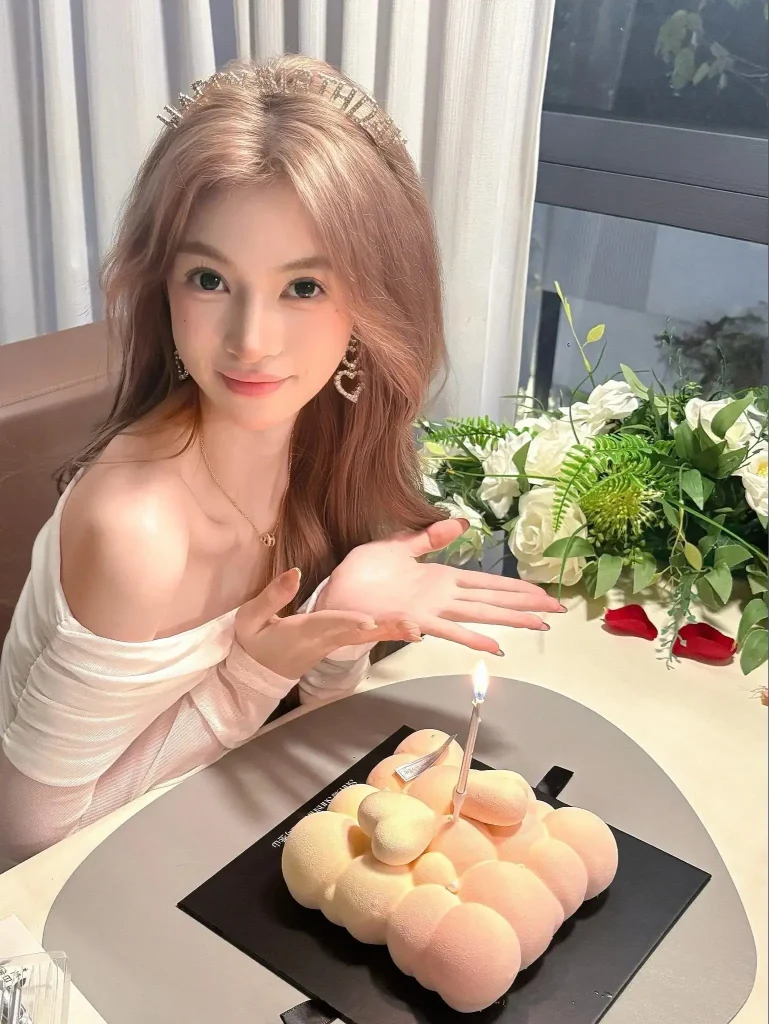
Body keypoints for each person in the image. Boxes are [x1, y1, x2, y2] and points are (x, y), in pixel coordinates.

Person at [0, 55, 562, 868]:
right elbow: (29, 843)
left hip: (222, 842)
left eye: (303, 288)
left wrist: (341, 617)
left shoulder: (321, 439)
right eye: (209, 279)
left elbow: (308, 726)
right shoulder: (138, 533)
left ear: (372, 303)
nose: (251, 341)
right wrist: (249, 678)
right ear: (162, 287)